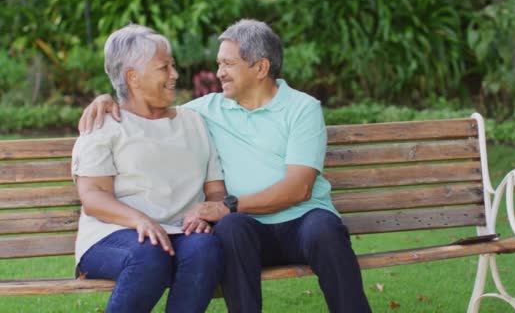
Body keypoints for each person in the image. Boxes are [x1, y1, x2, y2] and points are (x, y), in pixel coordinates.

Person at [80, 19, 371, 313]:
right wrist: (105, 98)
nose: (219, 73)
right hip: (247, 228)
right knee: (230, 229)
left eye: (228, 64)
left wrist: (226, 205)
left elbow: (300, 188)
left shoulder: (301, 108)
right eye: (219, 63)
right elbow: (145, 112)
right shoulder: (206, 110)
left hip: (302, 222)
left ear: (261, 68)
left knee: (323, 229)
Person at [72, 24, 225, 313]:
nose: (174, 75)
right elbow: (93, 197)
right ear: (133, 77)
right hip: (113, 235)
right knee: (150, 254)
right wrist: (140, 220)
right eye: (163, 68)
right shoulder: (104, 125)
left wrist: (209, 211)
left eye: (173, 65)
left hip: (182, 233)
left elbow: (215, 190)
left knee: (206, 250)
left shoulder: (193, 121)